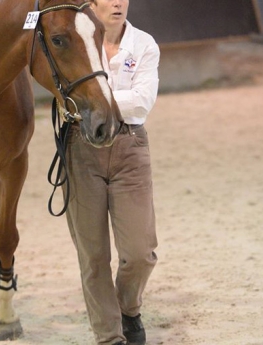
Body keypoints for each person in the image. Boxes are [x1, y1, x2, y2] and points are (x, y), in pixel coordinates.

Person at [63, 0, 160, 344]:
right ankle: (109, 336)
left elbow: (142, 101)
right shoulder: (74, 41)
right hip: (80, 147)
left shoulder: (144, 44)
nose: (118, 2)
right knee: (93, 256)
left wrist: (92, 100)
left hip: (129, 147)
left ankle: (128, 307)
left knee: (139, 253)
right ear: (89, 2)